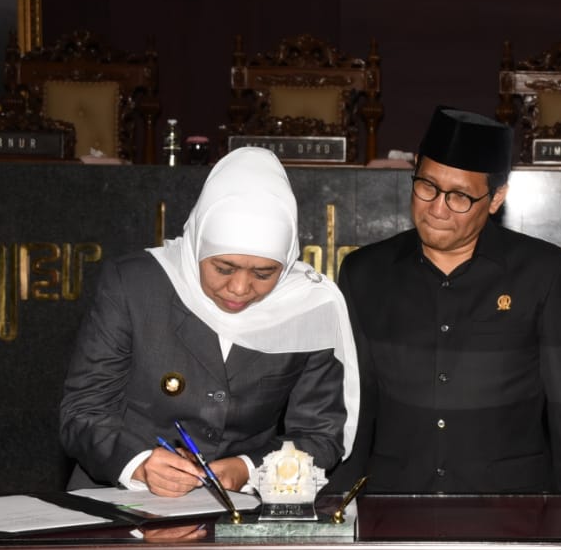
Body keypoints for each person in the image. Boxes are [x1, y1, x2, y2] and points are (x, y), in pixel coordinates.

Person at [60, 146, 359, 495]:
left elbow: (320, 436)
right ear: (197, 245)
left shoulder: (307, 306)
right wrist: (138, 464)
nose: (240, 288)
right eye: (223, 268)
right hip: (118, 498)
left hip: (237, 511)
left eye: (264, 273)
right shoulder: (136, 286)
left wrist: (250, 468)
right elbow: (82, 412)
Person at [328, 106, 561, 493]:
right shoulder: (365, 272)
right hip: (394, 502)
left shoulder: (543, 272)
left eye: (459, 197)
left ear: (496, 198)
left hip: (510, 509)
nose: (437, 209)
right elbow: (355, 401)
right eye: (427, 186)